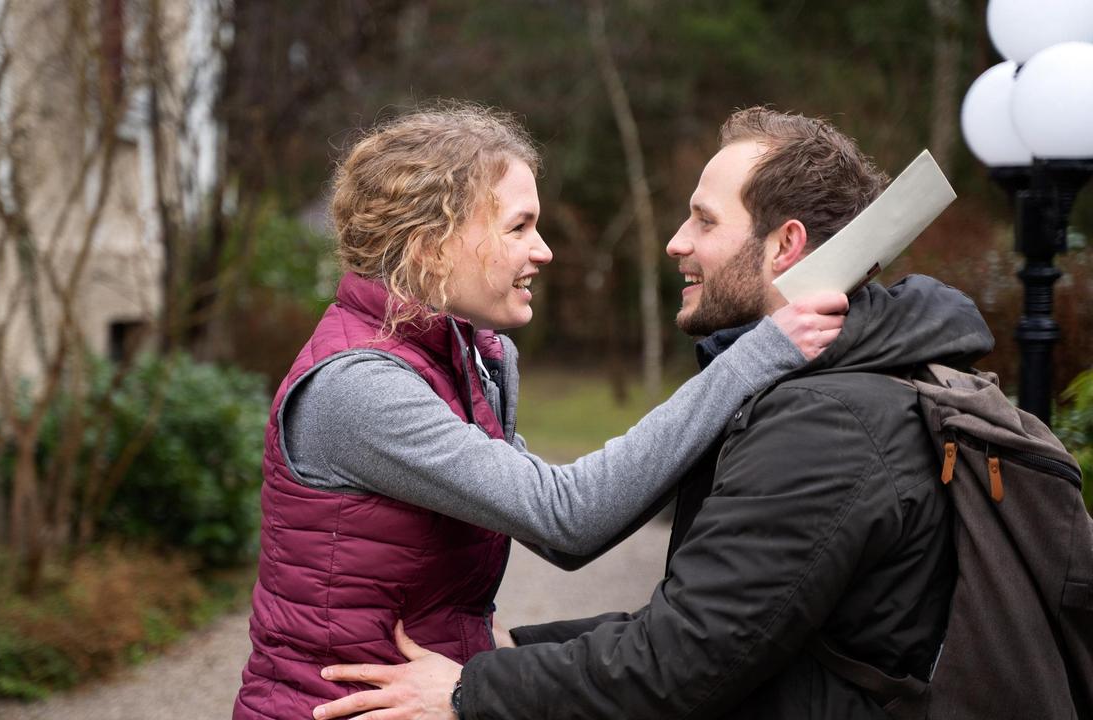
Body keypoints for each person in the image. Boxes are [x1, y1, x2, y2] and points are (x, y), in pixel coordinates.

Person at [313, 107, 996, 720]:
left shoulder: (828, 419)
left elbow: (683, 656)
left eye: (703, 219)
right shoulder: (369, 382)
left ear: (784, 247)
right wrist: (507, 651)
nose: (675, 241)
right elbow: (717, 621)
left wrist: (478, 687)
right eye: (519, 226)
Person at [234, 103, 849, 719]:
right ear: (432, 244)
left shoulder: (475, 359)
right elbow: (566, 518)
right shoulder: (357, 388)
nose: (545, 251)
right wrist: (752, 358)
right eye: (519, 227)